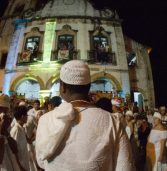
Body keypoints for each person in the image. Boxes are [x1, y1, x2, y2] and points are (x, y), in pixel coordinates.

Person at [36, 60, 135, 171]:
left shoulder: (45, 120)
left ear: (62, 87)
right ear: (88, 87)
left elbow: (41, 162)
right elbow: (125, 166)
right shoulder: (113, 121)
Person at [10, 106, 30, 171]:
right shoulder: (16, 130)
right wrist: (20, 167)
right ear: (22, 116)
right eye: (26, 115)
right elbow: (13, 151)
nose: (27, 117)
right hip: (20, 166)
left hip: (24, 162)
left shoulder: (22, 128)